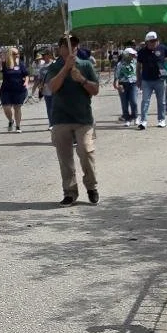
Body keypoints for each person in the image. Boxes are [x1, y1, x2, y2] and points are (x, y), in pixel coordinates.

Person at [46, 34, 100, 206]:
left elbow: (95, 90)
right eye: (68, 45)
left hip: (83, 118)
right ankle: (70, 192)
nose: (72, 48)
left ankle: (91, 187)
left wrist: (81, 79)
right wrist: (65, 69)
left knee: (85, 151)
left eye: (75, 45)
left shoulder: (86, 65)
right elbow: (52, 88)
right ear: (60, 48)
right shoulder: (55, 67)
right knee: (65, 158)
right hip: (61, 118)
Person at [136, 31, 167, 129]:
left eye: (155, 40)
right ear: (147, 42)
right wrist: (138, 79)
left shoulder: (162, 48)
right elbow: (138, 66)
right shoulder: (142, 52)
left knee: (161, 101)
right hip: (146, 80)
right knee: (145, 101)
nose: (154, 43)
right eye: (151, 41)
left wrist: (164, 62)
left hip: (160, 80)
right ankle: (143, 121)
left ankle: (161, 120)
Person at [0, 47, 29, 132]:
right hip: (6, 90)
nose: (17, 55)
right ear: (10, 54)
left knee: (17, 107)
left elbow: (26, 75)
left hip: (18, 89)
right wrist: (0, 59)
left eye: (18, 54)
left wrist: (26, 82)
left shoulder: (21, 64)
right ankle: (10, 120)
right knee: (6, 107)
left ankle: (18, 126)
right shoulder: (4, 63)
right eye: (15, 54)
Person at [113, 48, 138, 125]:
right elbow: (117, 76)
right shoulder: (120, 64)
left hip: (133, 84)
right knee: (124, 103)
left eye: (133, 54)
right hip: (122, 85)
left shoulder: (135, 62)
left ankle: (135, 117)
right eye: (131, 54)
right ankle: (127, 119)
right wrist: (116, 85)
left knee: (133, 102)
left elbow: (139, 72)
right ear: (126, 55)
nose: (133, 55)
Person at [31, 49, 55, 128]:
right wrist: (38, 87)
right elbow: (40, 79)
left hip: (56, 87)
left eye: (44, 55)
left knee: (56, 106)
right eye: (42, 55)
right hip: (46, 89)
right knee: (49, 107)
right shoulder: (42, 67)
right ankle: (51, 123)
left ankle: (58, 123)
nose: (43, 57)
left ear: (49, 55)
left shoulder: (55, 64)